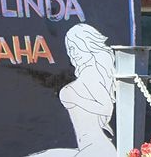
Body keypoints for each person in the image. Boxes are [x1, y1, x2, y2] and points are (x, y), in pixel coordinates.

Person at [28, 23, 116, 156]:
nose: (73, 53)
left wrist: (75, 96)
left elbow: (106, 107)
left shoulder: (91, 74)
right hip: (91, 149)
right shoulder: (87, 75)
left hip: (97, 150)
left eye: (76, 47)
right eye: (70, 48)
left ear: (87, 46)